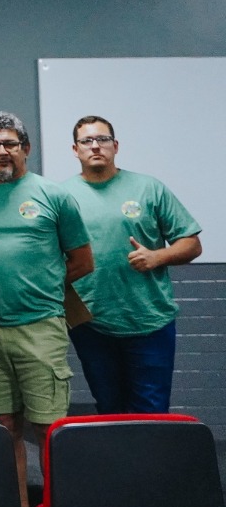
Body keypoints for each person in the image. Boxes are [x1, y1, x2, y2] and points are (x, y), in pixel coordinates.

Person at [0, 112, 94, 507]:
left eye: (10, 143)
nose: (2, 151)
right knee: (3, 426)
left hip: (41, 326)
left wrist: (42, 284)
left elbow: (83, 260)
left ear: (25, 148)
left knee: (48, 428)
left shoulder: (53, 196)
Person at [61, 115, 201, 414]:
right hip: (91, 324)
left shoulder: (148, 188)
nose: (95, 146)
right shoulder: (62, 196)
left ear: (115, 146)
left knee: (151, 412)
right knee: (109, 410)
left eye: (103, 139)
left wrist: (157, 257)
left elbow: (192, 244)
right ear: (75, 149)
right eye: (87, 141)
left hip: (148, 320)